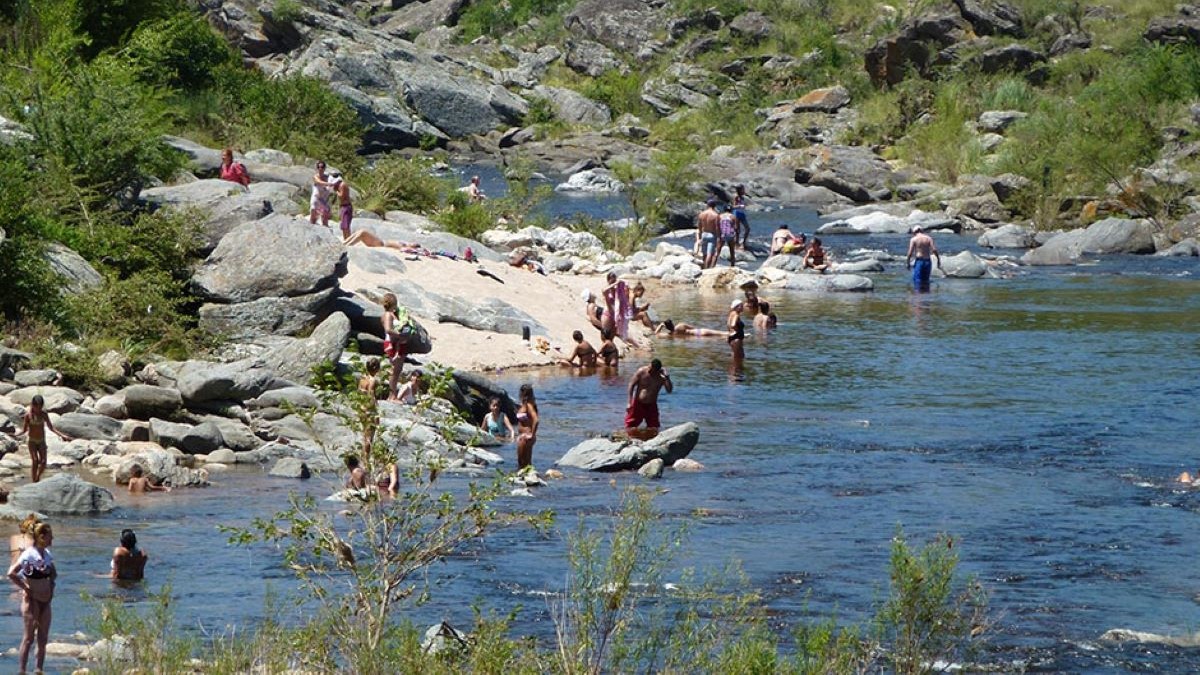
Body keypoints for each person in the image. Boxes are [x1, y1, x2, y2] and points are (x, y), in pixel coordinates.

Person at [8, 521, 55, 675]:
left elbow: (53, 574)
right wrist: (26, 588)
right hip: (32, 601)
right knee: (28, 638)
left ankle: (38, 670)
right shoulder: (29, 554)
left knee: (43, 639)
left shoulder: (47, 554)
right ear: (41, 537)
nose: (52, 539)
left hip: (46, 601)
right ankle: (22, 671)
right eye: (50, 536)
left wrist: (52, 588)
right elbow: (12, 573)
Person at [15, 395, 70, 483]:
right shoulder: (28, 416)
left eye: (40, 406)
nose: (38, 408)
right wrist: (16, 435)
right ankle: (34, 481)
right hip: (32, 441)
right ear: (32, 405)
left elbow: (51, 428)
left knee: (43, 462)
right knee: (35, 461)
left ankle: (37, 477)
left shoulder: (44, 414)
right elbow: (24, 430)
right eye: (36, 406)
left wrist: (62, 435)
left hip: (41, 441)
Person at [381, 293, 412, 401]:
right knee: (394, 370)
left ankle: (393, 394)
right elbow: (388, 330)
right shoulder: (387, 315)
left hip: (398, 343)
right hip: (392, 343)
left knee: (397, 370)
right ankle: (392, 395)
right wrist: (400, 335)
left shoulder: (394, 314)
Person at [625, 358, 673, 431]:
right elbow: (631, 385)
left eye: (652, 370)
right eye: (649, 367)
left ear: (657, 370)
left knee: (654, 427)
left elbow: (669, 390)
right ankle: (629, 440)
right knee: (630, 425)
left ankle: (650, 440)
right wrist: (629, 402)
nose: (649, 370)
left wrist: (667, 378)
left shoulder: (662, 378)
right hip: (638, 403)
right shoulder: (641, 372)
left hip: (651, 405)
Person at [906, 225, 942, 292]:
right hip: (928, 261)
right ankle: (926, 297)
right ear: (922, 231)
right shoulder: (928, 238)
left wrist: (908, 263)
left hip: (919, 261)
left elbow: (910, 253)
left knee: (917, 281)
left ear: (914, 232)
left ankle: (918, 298)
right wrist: (938, 259)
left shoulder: (914, 239)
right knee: (926, 281)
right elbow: (934, 250)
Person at [602, 272, 633, 341]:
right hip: (607, 314)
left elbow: (625, 298)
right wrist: (614, 284)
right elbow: (604, 291)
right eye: (612, 280)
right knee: (605, 333)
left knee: (612, 334)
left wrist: (624, 285)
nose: (614, 282)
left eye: (615, 280)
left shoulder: (617, 291)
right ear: (608, 280)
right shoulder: (606, 289)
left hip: (616, 314)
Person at [359, 357, 381, 453]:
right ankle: (366, 460)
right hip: (369, 410)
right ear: (377, 368)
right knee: (369, 437)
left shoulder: (362, 379)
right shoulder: (373, 381)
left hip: (361, 408)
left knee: (364, 435)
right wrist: (376, 414)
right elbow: (371, 396)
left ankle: (363, 456)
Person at [343, 229, 426, 254]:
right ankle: (345, 243)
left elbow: (407, 251)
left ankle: (347, 245)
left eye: (414, 244)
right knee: (361, 231)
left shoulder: (404, 247)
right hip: (380, 242)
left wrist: (416, 250)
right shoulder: (405, 243)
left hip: (380, 244)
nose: (413, 243)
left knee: (363, 233)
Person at [515, 384, 538, 471]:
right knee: (526, 462)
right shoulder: (526, 404)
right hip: (525, 436)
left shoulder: (528, 405)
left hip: (526, 436)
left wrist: (532, 434)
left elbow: (536, 420)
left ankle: (524, 479)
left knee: (521, 462)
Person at [695, 199, 721, 269]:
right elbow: (717, 228)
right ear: (714, 206)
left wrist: (699, 237)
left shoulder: (702, 214)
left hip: (704, 234)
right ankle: (707, 268)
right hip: (712, 235)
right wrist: (719, 237)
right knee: (710, 254)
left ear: (707, 205)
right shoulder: (715, 215)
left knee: (704, 253)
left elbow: (699, 226)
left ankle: (703, 267)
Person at [310, 161, 334, 227]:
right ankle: (311, 227)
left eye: (322, 167)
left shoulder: (328, 177)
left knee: (325, 216)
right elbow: (319, 182)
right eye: (318, 167)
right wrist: (328, 184)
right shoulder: (315, 176)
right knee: (313, 212)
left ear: (324, 168)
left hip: (325, 199)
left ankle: (325, 229)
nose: (320, 169)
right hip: (316, 198)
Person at [330, 172, 354, 238]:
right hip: (343, 207)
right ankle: (345, 239)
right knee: (343, 226)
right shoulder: (339, 185)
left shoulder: (342, 185)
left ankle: (348, 240)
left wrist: (336, 191)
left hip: (346, 207)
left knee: (346, 226)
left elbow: (341, 196)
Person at [653, 320, 726, 337]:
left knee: (719, 337)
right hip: (700, 331)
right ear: (672, 323)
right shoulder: (680, 325)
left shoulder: (671, 335)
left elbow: (656, 333)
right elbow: (693, 328)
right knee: (722, 333)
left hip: (698, 337)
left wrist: (661, 325)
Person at [733, 184, 750, 249]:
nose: (744, 190)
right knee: (737, 230)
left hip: (742, 213)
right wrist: (740, 206)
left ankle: (744, 242)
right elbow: (733, 206)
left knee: (747, 228)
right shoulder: (736, 197)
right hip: (736, 213)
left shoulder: (742, 197)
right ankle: (736, 244)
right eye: (743, 189)